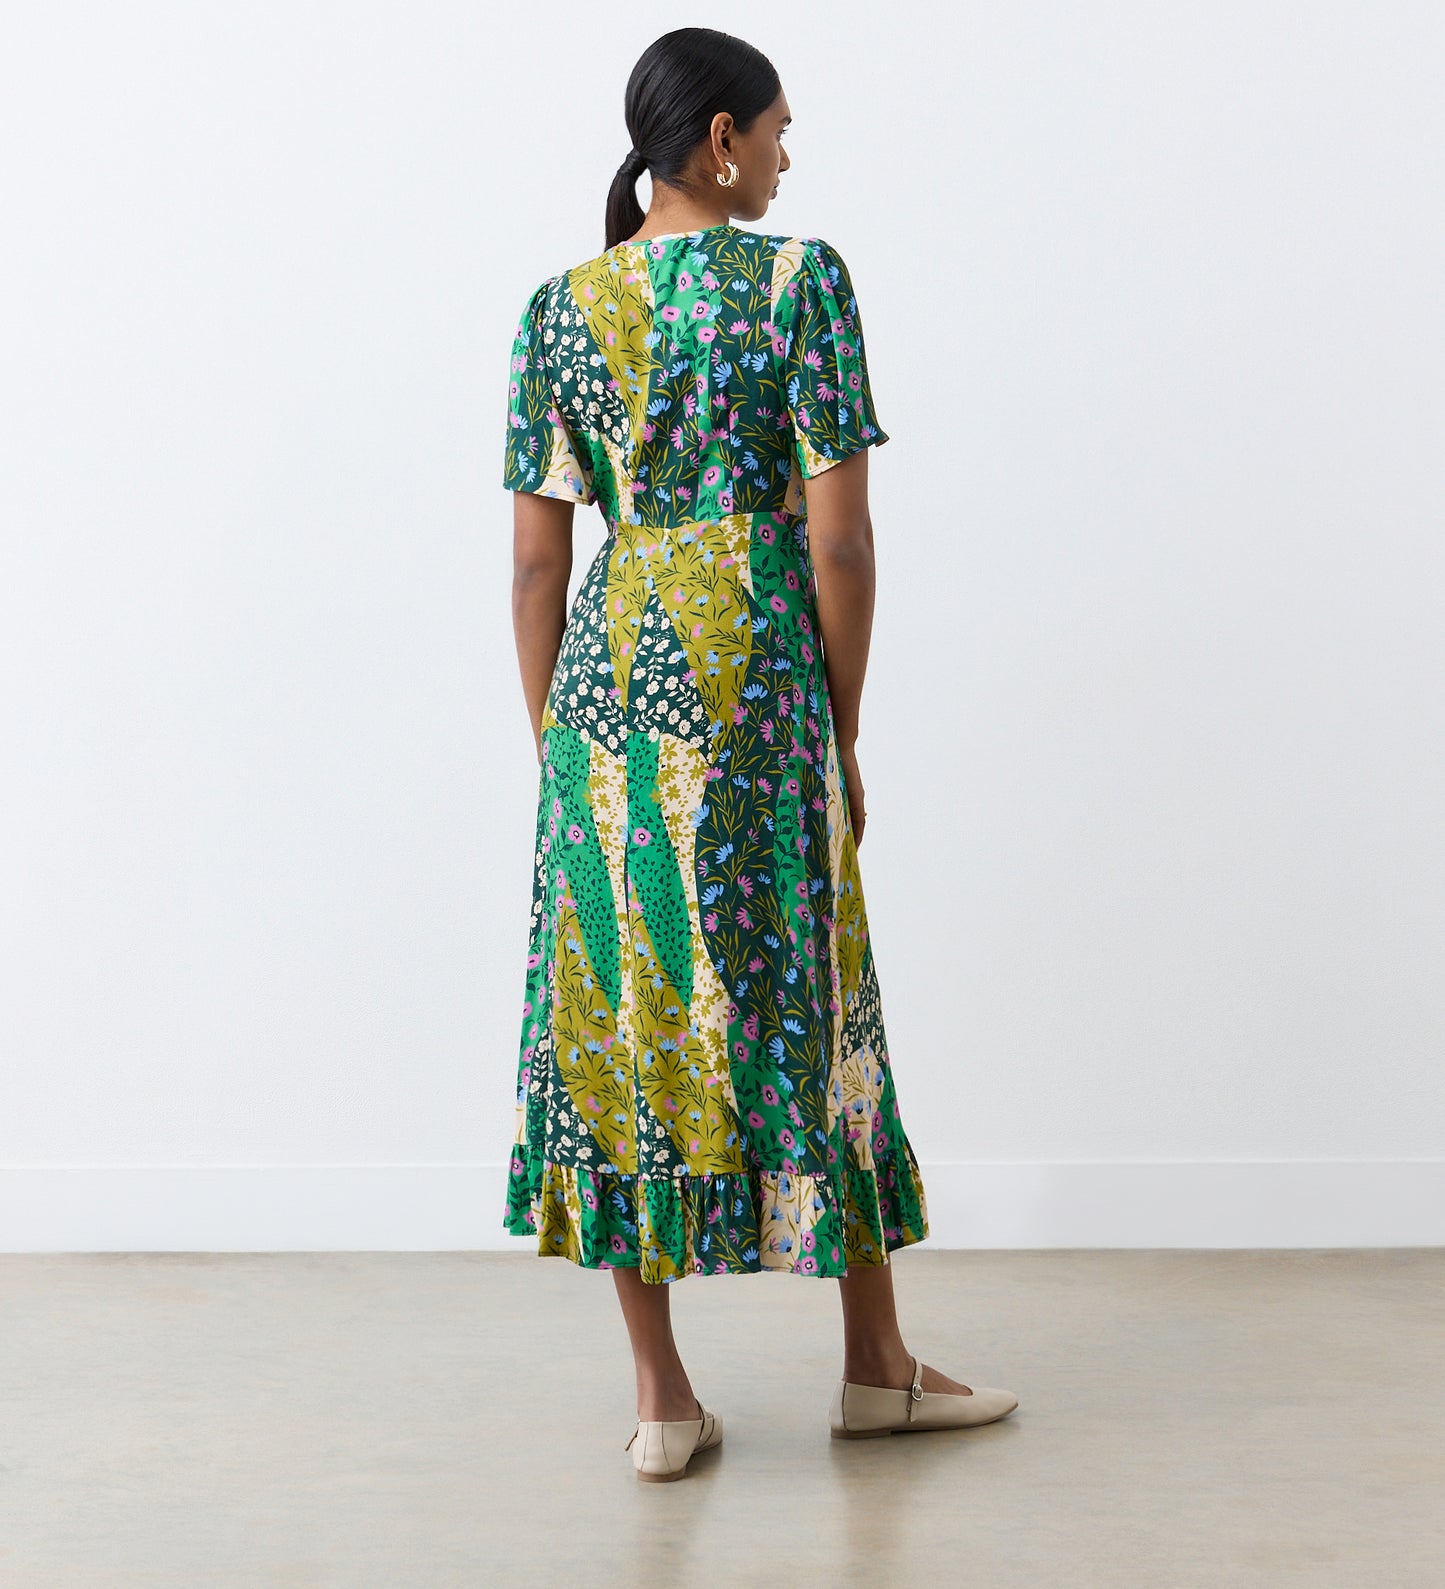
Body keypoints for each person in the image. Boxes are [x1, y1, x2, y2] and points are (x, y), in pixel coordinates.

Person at [499, 26, 1018, 1480]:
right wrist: (839, 728)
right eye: (778, 130)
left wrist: (561, 753)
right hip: (759, 684)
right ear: (717, 138)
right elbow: (841, 539)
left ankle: (663, 1398)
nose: (789, 157)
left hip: (604, 693)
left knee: (616, 1013)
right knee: (816, 987)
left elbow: (536, 569)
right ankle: (875, 1366)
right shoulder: (801, 283)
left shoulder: (554, 309)